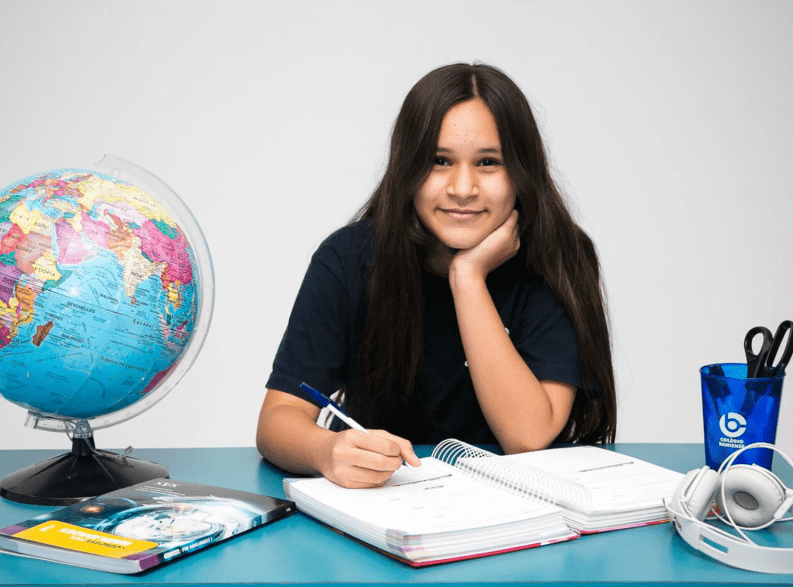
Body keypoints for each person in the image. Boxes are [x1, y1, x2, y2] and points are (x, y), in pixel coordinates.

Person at [256, 62, 616, 488]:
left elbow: (527, 436)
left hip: (514, 514)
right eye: (439, 161)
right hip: (383, 505)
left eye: (488, 162)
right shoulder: (348, 258)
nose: (462, 188)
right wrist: (326, 451)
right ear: (408, 168)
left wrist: (468, 277)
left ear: (522, 170)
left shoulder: (559, 257)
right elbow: (276, 421)